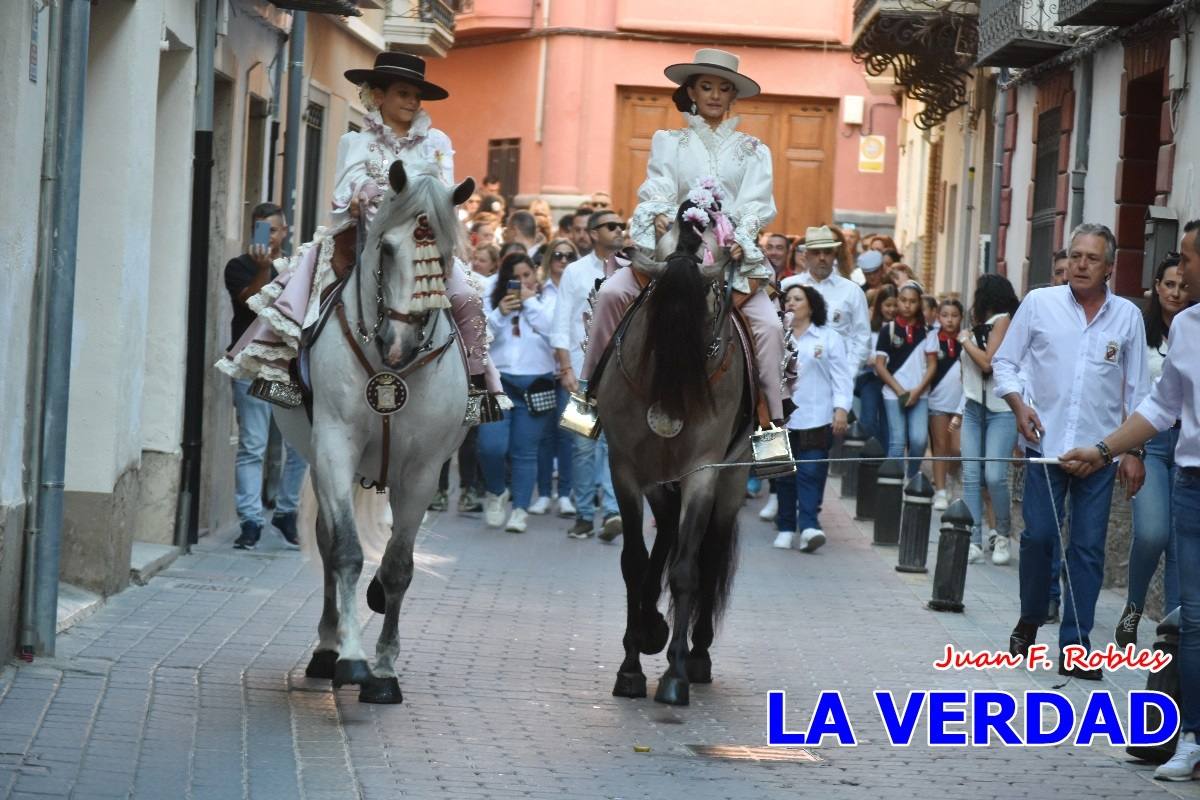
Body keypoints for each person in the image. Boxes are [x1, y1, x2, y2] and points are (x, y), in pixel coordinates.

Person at [217, 52, 504, 408]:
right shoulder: (354, 142)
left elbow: (444, 192)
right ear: (378, 95)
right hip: (360, 238)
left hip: (425, 245)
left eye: (416, 95)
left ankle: (477, 389)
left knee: (466, 297)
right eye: (403, 93)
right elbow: (342, 194)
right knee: (300, 290)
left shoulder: (437, 143)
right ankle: (286, 375)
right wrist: (361, 192)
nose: (412, 102)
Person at [582, 48, 787, 440]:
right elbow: (658, 186)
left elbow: (756, 203)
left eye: (723, 88)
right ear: (691, 91)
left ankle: (770, 425)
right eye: (706, 86)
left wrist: (742, 237)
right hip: (674, 249)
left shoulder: (754, 149)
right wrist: (659, 211)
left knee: (771, 328)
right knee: (610, 293)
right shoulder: (668, 141)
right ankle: (588, 393)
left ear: (732, 97)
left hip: (729, 256)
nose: (714, 95)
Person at [1059, 235, 1199, 779]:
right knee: (1193, 615)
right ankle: (1190, 738)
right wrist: (1102, 451)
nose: (1179, 271)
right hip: (1191, 482)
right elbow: (1162, 405)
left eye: (1186, 259)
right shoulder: (1186, 328)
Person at [994, 223, 1149, 678]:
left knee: (1086, 549)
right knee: (1039, 538)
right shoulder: (1040, 304)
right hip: (1045, 447)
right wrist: (1018, 405)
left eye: (1092, 258)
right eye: (1075, 255)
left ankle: (1077, 645)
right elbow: (1005, 362)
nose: (1081, 265)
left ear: (1110, 268)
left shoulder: (1128, 318)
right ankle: (1030, 616)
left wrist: (1132, 450)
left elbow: (1139, 390)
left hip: (1100, 454)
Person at [1113, 252, 1190, 645]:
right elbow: (1133, 396)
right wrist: (1129, 448)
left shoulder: (1194, 331)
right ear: (1156, 287)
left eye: (1183, 285)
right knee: (1154, 531)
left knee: (1184, 540)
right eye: (1169, 284)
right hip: (1151, 442)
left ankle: (1177, 628)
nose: (1176, 292)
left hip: (1189, 442)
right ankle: (1134, 605)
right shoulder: (1139, 334)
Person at [222, 203, 307, 550]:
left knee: (298, 447)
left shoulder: (299, 269)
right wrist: (261, 270)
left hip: (285, 371)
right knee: (252, 446)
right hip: (251, 368)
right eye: (259, 229)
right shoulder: (238, 267)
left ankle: (286, 513)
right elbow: (252, 303)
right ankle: (251, 522)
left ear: (284, 232)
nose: (267, 236)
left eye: (272, 230)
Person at [551, 210, 624, 540]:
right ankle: (583, 514)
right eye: (611, 226)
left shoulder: (630, 270)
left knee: (613, 444)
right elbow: (561, 322)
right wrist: (565, 367)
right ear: (594, 234)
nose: (619, 230)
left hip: (621, 375)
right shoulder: (575, 272)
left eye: (621, 225)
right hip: (582, 373)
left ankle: (611, 511)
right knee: (582, 446)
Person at [477, 253, 558, 533]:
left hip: (536, 382)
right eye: (515, 277)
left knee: (525, 451)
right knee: (489, 446)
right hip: (496, 380)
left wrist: (530, 301)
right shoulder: (491, 299)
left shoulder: (547, 299)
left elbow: (553, 330)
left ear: (535, 274)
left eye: (526, 275)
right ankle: (497, 491)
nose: (521, 282)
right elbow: (480, 336)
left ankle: (520, 508)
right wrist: (500, 312)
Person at [773, 283, 853, 552]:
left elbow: (842, 376)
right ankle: (784, 527)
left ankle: (809, 526)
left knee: (810, 472)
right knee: (780, 475)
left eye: (798, 299)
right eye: (788, 299)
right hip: (774, 418)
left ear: (812, 305)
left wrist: (841, 408)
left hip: (816, 416)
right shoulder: (773, 334)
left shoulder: (828, 337)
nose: (792, 303)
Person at [948, 274, 1020, 565]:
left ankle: (1002, 533)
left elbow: (989, 363)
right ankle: (973, 539)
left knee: (994, 476)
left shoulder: (1003, 320)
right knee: (972, 475)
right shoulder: (978, 326)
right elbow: (967, 377)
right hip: (974, 407)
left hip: (1002, 410)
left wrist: (965, 341)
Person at [533, 238, 579, 518]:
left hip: (572, 372)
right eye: (558, 255)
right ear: (549, 258)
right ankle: (543, 493)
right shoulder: (537, 291)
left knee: (570, 436)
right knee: (543, 436)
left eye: (569, 256)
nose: (563, 260)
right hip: (540, 370)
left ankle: (565, 494)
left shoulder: (583, 290)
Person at [874, 281, 937, 479]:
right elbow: (880, 365)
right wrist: (900, 391)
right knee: (897, 441)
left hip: (920, 393)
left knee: (919, 440)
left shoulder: (928, 332)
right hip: (893, 393)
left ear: (919, 304)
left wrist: (917, 391)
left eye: (912, 301)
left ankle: (912, 476)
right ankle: (892, 484)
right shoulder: (888, 330)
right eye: (903, 300)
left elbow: (933, 365)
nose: (907, 305)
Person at [927, 298, 963, 510]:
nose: (949, 320)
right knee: (940, 446)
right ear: (939, 317)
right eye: (945, 315)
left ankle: (950, 479)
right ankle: (940, 490)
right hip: (938, 401)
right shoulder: (932, 339)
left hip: (961, 403)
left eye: (954, 315)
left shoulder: (966, 339)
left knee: (957, 449)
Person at [857, 284, 898, 451]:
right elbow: (860, 350)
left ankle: (885, 464)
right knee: (868, 421)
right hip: (871, 378)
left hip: (893, 380)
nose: (892, 309)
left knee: (888, 423)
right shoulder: (869, 325)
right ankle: (871, 455)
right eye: (888, 305)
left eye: (895, 305)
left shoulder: (900, 328)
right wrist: (871, 360)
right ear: (880, 305)